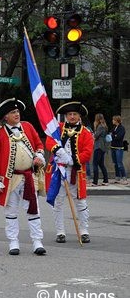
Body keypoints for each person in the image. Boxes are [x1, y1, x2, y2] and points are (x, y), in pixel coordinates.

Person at [0, 98, 46, 256]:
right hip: (10, 179)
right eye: (12, 112)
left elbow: (39, 145)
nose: (16, 114)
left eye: (17, 111)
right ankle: (13, 242)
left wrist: (39, 156)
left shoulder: (27, 126)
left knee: (33, 210)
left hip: (28, 176)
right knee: (11, 212)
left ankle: (37, 241)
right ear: (5, 117)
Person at [46, 101, 94, 244]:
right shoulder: (58, 129)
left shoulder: (85, 132)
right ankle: (60, 232)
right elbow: (49, 141)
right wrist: (58, 150)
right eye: (69, 114)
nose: (72, 117)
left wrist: (72, 160)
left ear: (79, 116)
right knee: (58, 202)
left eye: (75, 114)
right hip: (59, 171)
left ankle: (84, 231)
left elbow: (87, 152)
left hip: (76, 172)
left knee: (80, 202)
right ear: (66, 116)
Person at [91, 113, 109, 186]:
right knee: (101, 164)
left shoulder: (100, 127)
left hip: (99, 147)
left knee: (95, 164)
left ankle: (95, 182)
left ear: (97, 119)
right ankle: (105, 180)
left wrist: (92, 134)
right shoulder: (104, 126)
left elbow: (96, 136)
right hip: (102, 147)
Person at [110, 115, 127, 184]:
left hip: (119, 148)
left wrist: (113, 135)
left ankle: (124, 178)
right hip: (113, 147)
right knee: (115, 163)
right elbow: (112, 135)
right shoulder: (114, 127)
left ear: (117, 121)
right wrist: (114, 135)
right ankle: (117, 177)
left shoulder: (121, 128)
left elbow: (118, 137)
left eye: (113, 120)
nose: (112, 121)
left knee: (119, 163)